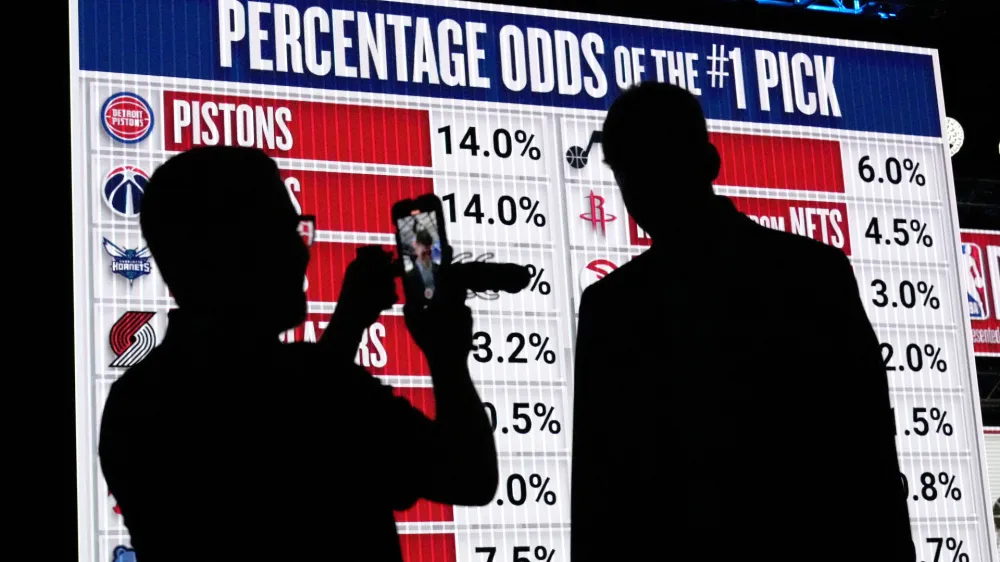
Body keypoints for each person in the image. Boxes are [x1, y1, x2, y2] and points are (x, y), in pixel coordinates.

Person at [99, 146, 498, 562]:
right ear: (232, 252)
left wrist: (348, 323)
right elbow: (468, 475)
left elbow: (281, 416)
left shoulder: (135, 404)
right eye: (284, 233)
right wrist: (445, 353)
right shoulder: (319, 390)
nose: (302, 252)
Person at [570, 82, 914, 561]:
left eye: (634, 172)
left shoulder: (613, 308)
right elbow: (869, 457)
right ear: (710, 162)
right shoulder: (815, 273)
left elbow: (600, 499)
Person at [404, 229, 439, 302]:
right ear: (415, 245)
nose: (427, 255)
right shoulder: (409, 275)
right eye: (424, 253)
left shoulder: (439, 270)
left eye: (428, 252)